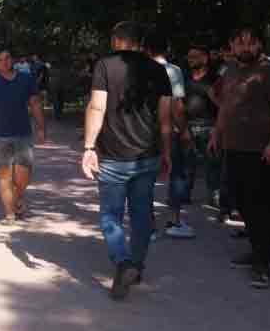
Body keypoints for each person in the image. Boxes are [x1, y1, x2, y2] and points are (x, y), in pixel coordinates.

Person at [81, 22, 172, 300]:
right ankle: (138, 265)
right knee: (142, 213)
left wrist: (88, 147)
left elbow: (97, 106)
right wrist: (167, 153)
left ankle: (123, 263)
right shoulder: (158, 70)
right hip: (147, 155)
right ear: (139, 42)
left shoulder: (105, 66)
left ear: (116, 40)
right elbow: (165, 117)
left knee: (111, 215)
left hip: (113, 155)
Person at [209, 27, 270, 289]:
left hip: (262, 150)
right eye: (239, 43)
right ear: (231, 45)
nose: (245, 48)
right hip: (234, 147)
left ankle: (262, 263)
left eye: (251, 43)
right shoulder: (231, 70)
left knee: (261, 205)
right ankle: (258, 249)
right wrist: (216, 134)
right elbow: (225, 106)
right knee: (241, 201)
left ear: (259, 45)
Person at [0, 50, 47, 223]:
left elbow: (35, 103)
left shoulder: (26, 79)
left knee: (24, 175)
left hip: (23, 134)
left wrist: (41, 128)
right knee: (5, 176)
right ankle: (9, 214)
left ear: (13, 60)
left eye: (8, 58)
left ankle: (16, 197)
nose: (5, 62)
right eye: (0, 59)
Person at [145, 34, 194, 238]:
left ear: (145, 49)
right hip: (169, 130)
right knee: (176, 173)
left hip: (143, 131)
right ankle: (174, 220)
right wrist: (184, 130)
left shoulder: (138, 70)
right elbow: (177, 106)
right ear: (167, 50)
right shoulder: (173, 71)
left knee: (145, 177)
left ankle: (148, 225)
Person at [183, 43, 221, 211]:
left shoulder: (216, 79)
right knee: (187, 163)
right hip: (188, 125)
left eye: (195, 56)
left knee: (213, 164)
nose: (191, 60)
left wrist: (218, 129)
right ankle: (184, 194)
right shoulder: (184, 78)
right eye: (190, 57)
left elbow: (223, 106)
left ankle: (215, 196)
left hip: (210, 126)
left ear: (205, 58)